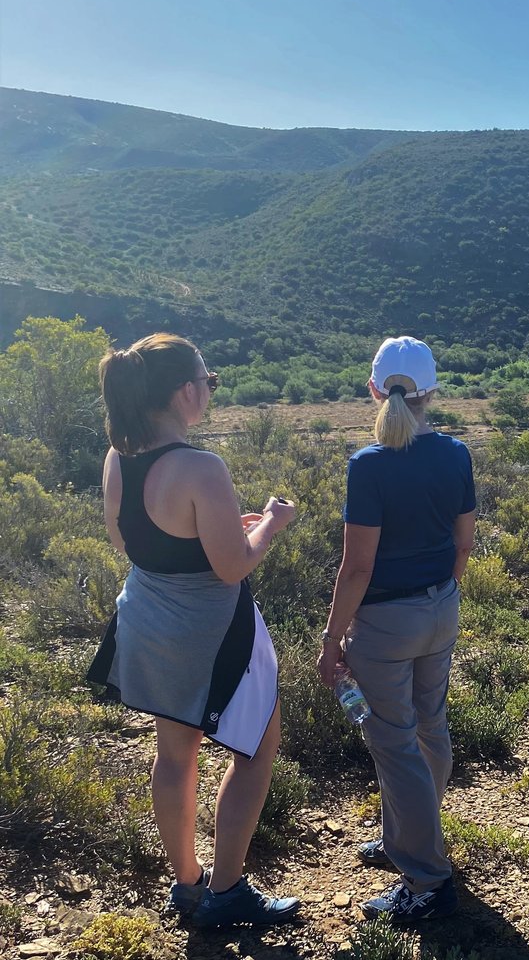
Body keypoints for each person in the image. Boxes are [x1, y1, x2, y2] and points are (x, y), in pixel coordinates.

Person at [86, 333, 301, 929]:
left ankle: (188, 885)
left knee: (174, 756)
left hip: (150, 621)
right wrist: (271, 525)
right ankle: (227, 893)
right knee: (255, 750)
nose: (209, 391)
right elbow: (231, 565)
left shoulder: (118, 459)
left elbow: (130, 541)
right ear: (185, 392)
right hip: (213, 631)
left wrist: (226, 527)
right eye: (209, 382)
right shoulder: (202, 467)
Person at [316, 336, 476, 924]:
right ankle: (408, 838)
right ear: (432, 391)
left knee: (394, 743)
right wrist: (443, 592)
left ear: (374, 389)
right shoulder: (456, 454)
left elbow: (357, 565)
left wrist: (333, 638)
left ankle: (426, 880)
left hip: (386, 623)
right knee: (430, 729)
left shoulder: (369, 465)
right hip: (441, 610)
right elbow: (464, 543)